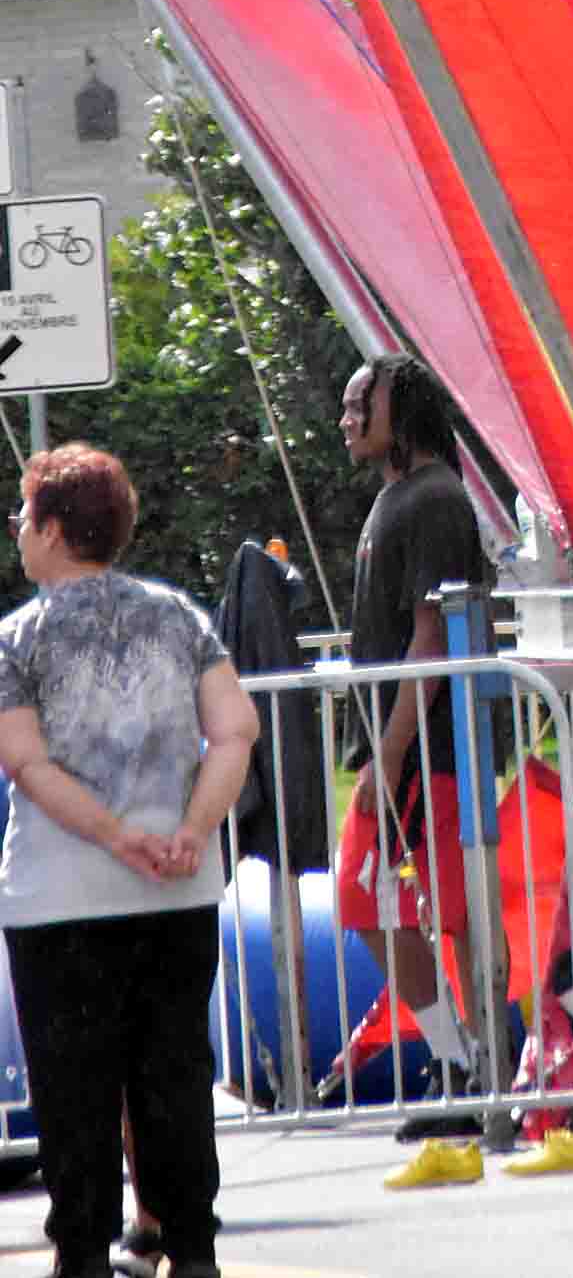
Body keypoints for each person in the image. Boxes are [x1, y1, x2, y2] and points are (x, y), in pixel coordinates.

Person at [0, 444, 260, 1278]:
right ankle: (192, 1245)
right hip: (178, 888)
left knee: (73, 1086)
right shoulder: (180, 616)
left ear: (51, 530)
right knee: (174, 1074)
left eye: (24, 515)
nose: (17, 529)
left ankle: (81, 1249)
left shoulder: (17, 638)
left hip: (62, 895)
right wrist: (191, 827)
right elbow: (235, 731)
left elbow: (25, 763)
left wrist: (115, 836)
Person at [334, 352, 495, 1140]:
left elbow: (431, 638)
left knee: (453, 913)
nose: (346, 419)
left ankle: (482, 1073)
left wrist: (391, 752)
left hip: (432, 754)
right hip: (404, 752)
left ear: (399, 409)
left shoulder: (435, 500)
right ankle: (459, 1059)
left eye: (358, 404)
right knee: (369, 902)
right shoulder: (397, 497)